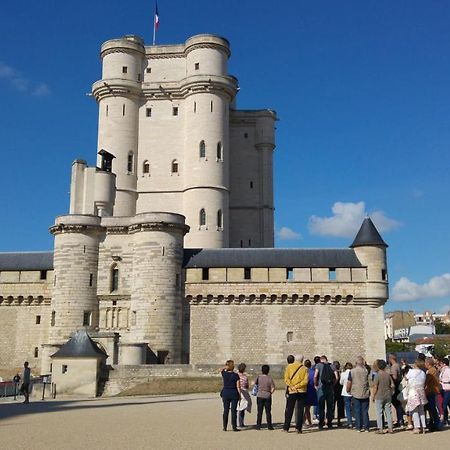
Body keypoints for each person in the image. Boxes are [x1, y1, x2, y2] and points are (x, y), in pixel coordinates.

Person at [283, 354, 308, 433]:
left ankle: (286, 427)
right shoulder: (304, 369)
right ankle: (298, 428)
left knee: (289, 409)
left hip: (292, 390)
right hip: (301, 391)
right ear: (302, 360)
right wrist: (298, 386)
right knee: (300, 410)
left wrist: (292, 386)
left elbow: (286, 379)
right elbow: (305, 381)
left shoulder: (289, 367)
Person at [347, 356, 370, 432]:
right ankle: (366, 427)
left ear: (356, 363)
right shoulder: (365, 371)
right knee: (365, 411)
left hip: (356, 392)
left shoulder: (352, 371)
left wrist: (348, 389)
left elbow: (349, 381)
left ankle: (358, 427)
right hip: (364, 392)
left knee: (357, 410)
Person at [405, 359, 428, 434]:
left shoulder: (411, 371)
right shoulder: (423, 373)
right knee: (421, 410)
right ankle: (423, 426)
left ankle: (417, 427)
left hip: (413, 391)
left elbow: (406, 378)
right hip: (421, 391)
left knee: (414, 409)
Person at [371, 359, 394, 434]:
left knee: (379, 412)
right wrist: (391, 392)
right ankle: (390, 428)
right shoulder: (387, 375)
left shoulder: (377, 375)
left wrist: (373, 396)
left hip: (379, 395)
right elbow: (392, 385)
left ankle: (380, 428)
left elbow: (375, 387)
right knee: (388, 412)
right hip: (387, 395)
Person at [314, 355, 335, 429]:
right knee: (329, 407)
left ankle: (321, 423)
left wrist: (315, 385)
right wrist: (333, 384)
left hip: (321, 388)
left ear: (321, 360)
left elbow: (315, 376)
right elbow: (336, 377)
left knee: (321, 407)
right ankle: (329, 423)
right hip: (330, 388)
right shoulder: (332, 366)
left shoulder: (318, 365)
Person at [220, 360, 241, 431]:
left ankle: (224, 426)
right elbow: (238, 386)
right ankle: (234, 426)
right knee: (233, 410)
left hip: (226, 392)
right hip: (234, 392)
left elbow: (221, 370)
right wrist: (239, 395)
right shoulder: (236, 375)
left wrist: (226, 366)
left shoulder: (224, 374)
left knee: (226, 410)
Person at [253, 364, 275, 430]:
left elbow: (255, 384)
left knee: (259, 411)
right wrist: (270, 393)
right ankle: (269, 425)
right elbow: (273, 387)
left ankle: (258, 425)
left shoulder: (259, 377)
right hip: (267, 395)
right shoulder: (270, 378)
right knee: (268, 412)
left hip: (259, 395)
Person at [424, 357, 442, 431]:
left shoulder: (431, 371)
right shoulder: (433, 370)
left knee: (432, 408)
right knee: (431, 409)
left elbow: (426, 381)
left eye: (425, 363)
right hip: (432, 391)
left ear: (428, 364)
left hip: (432, 391)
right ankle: (434, 423)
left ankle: (437, 424)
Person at [237, 363, 251, 428]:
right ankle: (241, 423)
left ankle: (239, 423)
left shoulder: (235, 375)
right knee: (242, 408)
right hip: (243, 393)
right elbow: (247, 386)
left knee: (239, 407)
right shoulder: (245, 377)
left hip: (237, 392)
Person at [304, 359, 317, 427]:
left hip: (305, 390)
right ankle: (307, 422)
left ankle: (306, 421)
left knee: (306, 408)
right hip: (311, 391)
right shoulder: (313, 372)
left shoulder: (303, 372)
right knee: (307, 408)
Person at [340, 362, 353, 428]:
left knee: (347, 408)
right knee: (354, 408)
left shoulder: (343, 374)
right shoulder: (354, 373)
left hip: (345, 392)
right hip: (353, 392)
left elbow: (341, 383)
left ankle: (350, 422)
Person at [439, 357, 450, 426]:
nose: (440, 365)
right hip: (442, 388)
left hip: (447, 388)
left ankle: (445, 420)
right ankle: (446, 420)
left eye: (441, 363)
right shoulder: (442, 370)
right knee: (445, 404)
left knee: (444, 405)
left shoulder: (448, 370)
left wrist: (444, 381)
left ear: (444, 363)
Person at [333, 361, 344, 426]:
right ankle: (339, 420)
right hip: (340, 391)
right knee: (339, 407)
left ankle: (330, 420)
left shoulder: (332, 373)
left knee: (332, 406)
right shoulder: (341, 373)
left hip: (334, 391)